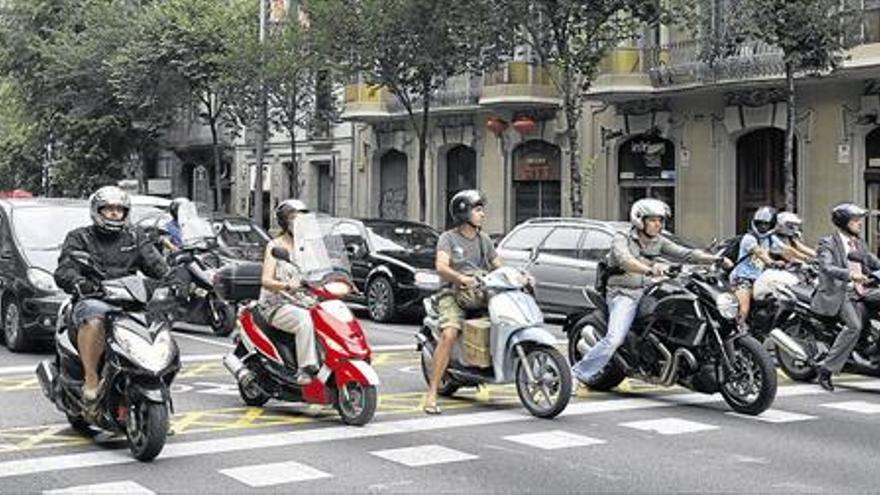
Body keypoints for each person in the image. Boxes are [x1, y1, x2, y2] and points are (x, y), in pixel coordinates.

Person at [572, 198, 727, 385]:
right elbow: (624, 260)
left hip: (648, 289)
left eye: (660, 220)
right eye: (653, 220)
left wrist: (713, 259)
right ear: (640, 220)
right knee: (614, 339)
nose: (658, 224)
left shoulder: (658, 241)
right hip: (624, 293)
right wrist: (649, 269)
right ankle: (578, 373)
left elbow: (685, 253)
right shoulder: (622, 238)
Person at [54, 186, 169, 416]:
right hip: (93, 299)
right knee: (96, 318)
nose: (115, 214)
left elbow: (157, 267)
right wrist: (79, 282)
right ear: (98, 211)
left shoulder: (135, 236)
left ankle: (158, 389)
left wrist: (174, 278)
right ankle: (91, 377)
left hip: (130, 301)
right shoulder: (80, 237)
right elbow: (65, 269)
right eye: (109, 209)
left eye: (120, 209)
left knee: (160, 325)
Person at [423, 189, 502, 415]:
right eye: (478, 210)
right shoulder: (448, 239)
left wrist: (518, 276)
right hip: (452, 294)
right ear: (463, 213)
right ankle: (431, 394)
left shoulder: (483, 239)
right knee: (449, 333)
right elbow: (441, 266)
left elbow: (498, 265)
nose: (483, 214)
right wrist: (460, 278)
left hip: (481, 291)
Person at [811, 203, 880, 391]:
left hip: (862, 289)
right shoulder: (828, 243)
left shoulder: (859, 243)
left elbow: (872, 261)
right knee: (854, 326)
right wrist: (851, 275)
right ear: (843, 222)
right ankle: (826, 369)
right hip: (841, 292)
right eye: (855, 220)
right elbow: (826, 267)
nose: (860, 223)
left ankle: (873, 350)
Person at [258, 199, 319, 385]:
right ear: (285, 222)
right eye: (294, 219)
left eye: (302, 219)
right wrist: (286, 286)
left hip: (305, 301)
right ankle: (306, 370)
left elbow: (319, 271)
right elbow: (265, 280)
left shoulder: (307, 246)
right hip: (278, 303)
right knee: (304, 321)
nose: (299, 223)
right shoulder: (275, 246)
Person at [729, 206, 786, 324]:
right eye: (760, 223)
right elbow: (759, 252)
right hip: (743, 279)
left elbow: (787, 250)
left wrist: (809, 259)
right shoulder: (749, 238)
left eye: (766, 224)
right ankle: (737, 332)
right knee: (744, 310)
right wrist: (772, 263)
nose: (763, 227)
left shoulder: (770, 238)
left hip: (760, 280)